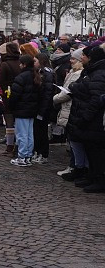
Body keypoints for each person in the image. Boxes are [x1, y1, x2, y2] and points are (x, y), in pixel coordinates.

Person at [64, 43, 105, 193]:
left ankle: (99, 179)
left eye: (84, 55)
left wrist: (85, 117)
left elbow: (96, 99)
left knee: (96, 152)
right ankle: (92, 176)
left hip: (93, 120)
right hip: (86, 117)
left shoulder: (99, 73)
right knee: (90, 150)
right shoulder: (92, 71)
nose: (81, 57)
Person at [53, 49, 87, 181]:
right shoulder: (73, 72)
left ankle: (74, 166)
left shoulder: (77, 74)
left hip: (70, 108)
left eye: (74, 59)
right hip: (68, 109)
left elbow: (68, 92)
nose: (71, 61)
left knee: (73, 142)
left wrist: (55, 98)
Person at [8, 54, 40, 166]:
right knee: (29, 134)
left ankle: (22, 156)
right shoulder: (35, 76)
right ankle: (28, 156)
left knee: (22, 134)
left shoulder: (21, 77)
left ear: (24, 64)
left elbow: (15, 95)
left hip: (22, 109)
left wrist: (11, 106)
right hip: (31, 109)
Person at [0, 41, 21, 157]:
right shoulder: (20, 62)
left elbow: (1, 82)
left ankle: (10, 146)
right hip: (20, 95)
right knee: (19, 123)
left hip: (8, 94)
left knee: (9, 122)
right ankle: (17, 146)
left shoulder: (5, 65)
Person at [31, 52, 55, 164]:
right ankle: (38, 151)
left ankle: (43, 154)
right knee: (37, 131)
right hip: (39, 106)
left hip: (43, 108)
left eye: (35, 60)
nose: (34, 63)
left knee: (42, 132)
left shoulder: (47, 74)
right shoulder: (40, 72)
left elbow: (47, 94)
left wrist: (42, 110)